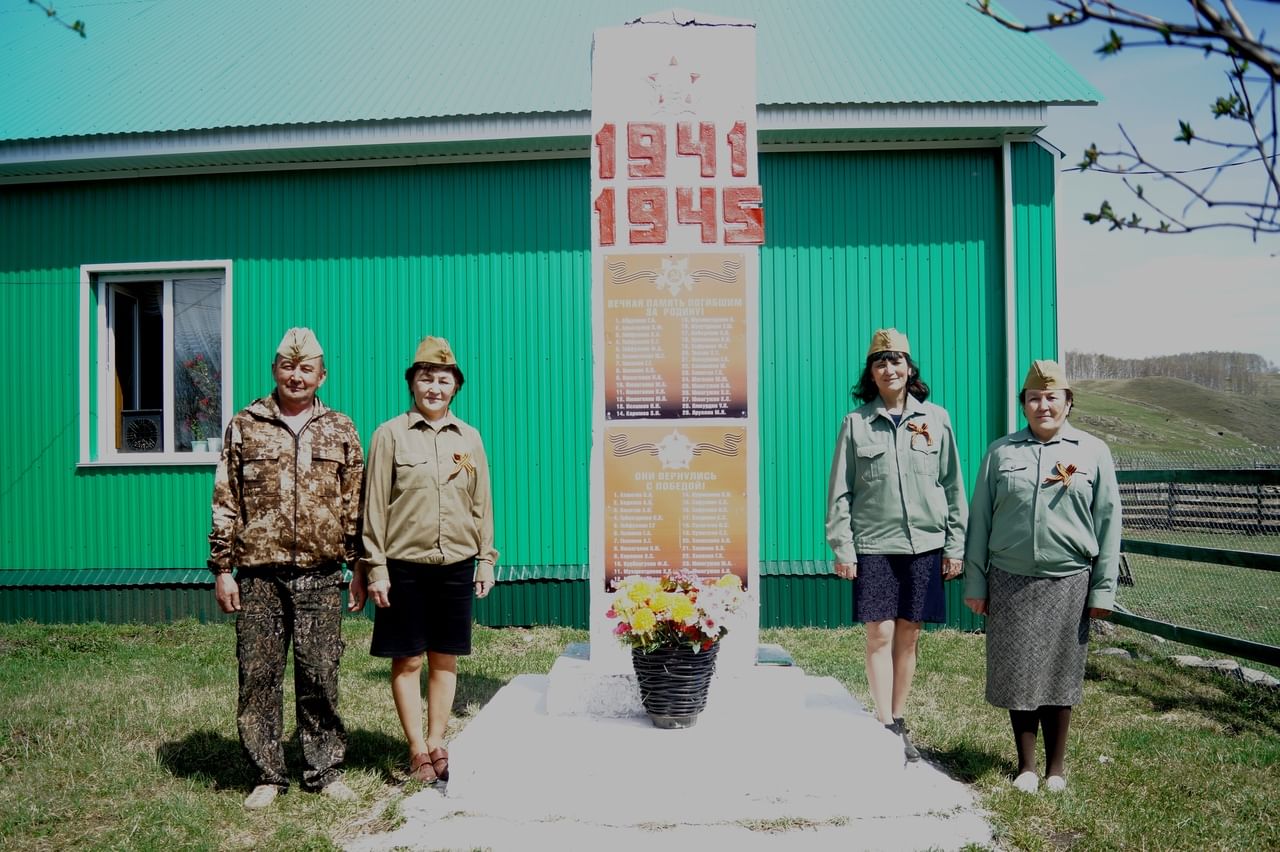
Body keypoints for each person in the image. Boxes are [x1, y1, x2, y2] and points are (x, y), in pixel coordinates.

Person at [209, 327, 365, 810]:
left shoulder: (341, 428)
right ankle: (267, 774)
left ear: (322, 375)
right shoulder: (245, 424)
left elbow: (354, 503)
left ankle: (324, 768)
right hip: (258, 575)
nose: (296, 376)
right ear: (274, 370)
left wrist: (357, 565)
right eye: (287, 366)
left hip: (320, 575)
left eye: (306, 369)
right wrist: (222, 568)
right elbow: (226, 498)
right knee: (258, 676)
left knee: (320, 673)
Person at [963, 360, 1121, 794]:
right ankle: (1026, 767)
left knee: (1060, 674)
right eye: (1034, 398)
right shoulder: (1001, 452)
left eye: (1052, 397)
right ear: (1023, 405)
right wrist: (976, 583)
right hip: (1011, 580)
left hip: (1069, 579)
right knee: (1018, 674)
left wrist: (1103, 587)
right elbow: (979, 522)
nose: (1043, 405)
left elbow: (1108, 522)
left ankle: (1056, 769)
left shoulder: (1093, 452)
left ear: (1068, 403)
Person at [356, 336, 498, 785]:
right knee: (408, 660)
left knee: (445, 657)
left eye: (443, 380)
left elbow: (482, 505)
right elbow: (373, 505)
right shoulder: (389, 434)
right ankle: (416, 747)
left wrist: (486, 560)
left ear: (455, 386)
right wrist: (374, 567)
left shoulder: (470, 438)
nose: (434, 387)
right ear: (412, 383)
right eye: (425, 378)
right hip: (404, 566)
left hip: (456, 562)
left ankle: (438, 740)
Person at [825, 328, 967, 761]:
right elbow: (840, 492)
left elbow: (952, 485)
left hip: (925, 543)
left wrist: (955, 544)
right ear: (871, 373)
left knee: (909, 635)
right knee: (879, 633)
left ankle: (899, 718)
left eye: (897, 361)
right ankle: (884, 721)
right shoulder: (856, 424)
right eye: (880, 362)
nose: (890, 369)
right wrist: (842, 547)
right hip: (874, 544)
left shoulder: (935, 420)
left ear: (910, 368)